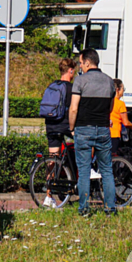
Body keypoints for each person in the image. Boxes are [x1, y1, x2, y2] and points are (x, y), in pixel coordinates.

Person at [68, 49, 118, 216]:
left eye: (81, 63)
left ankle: (84, 209)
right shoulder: (110, 81)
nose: (80, 66)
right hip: (103, 129)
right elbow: (110, 108)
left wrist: (71, 127)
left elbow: (73, 108)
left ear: (88, 63)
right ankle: (110, 208)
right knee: (107, 170)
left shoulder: (80, 81)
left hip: (83, 128)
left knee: (83, 170)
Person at [40, 57, 76, 208]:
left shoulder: (52, 85)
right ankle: (86, 173)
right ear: (71, 71)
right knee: (84, 142)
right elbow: (74, 109)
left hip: (50, 125)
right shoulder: (70, 88)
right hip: (64, 125)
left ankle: (48, 196)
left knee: (52, 159)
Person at [110, 79, 132, 155]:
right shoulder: (120, 104)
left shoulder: (108, 101)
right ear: (118, 90)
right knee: (114, 157)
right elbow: (126, 122)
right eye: (123, 89)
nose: (123, 91)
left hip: (105, 132)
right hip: (114, 134)